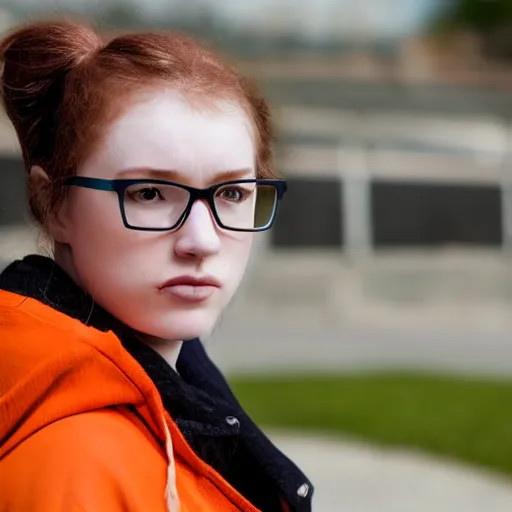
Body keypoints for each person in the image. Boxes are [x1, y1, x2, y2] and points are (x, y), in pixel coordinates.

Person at [0, 18, 313, 512]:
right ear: (53, 203)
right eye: (148, 193)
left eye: (232, 193)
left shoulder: (177, 395)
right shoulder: (73, 459)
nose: (202, 240)